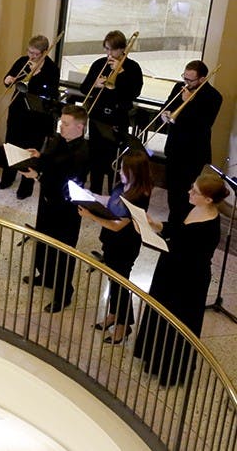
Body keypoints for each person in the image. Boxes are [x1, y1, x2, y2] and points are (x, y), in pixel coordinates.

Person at [133, 172, 227, 386]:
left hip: (188, 281)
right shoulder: (192, 206)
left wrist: (153, 237)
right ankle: (153, 360)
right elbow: (177, 228)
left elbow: (185, 250)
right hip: (170, 271)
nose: (189, 192)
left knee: (177, 323)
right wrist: (155, 225)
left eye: (195, 191)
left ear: (209, 200)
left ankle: (170, 371)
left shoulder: (210, 227)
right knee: (160, 315)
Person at [19, 105, 90, 313]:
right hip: (47, 202)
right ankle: (47, 276)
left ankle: (63, 294)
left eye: (66, 124)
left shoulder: (82, 153)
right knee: (42, 242)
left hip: (65, 209)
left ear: (80, 127)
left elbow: (68, 182)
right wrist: (38, 157)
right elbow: (50, 161)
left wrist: (39, 177)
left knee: (62, 252)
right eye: (61, 122)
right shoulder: (58, 139)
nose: (61, 127)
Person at [79, 149, 152, 344]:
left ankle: (123, 325)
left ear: (135, 172)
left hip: (124, 246)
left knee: (121, 284)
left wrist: (91, 216)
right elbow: (111, 201)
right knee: (114, 281)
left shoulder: (139, 196)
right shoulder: (124, 185)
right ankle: (113, 314)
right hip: (112, 242)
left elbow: (118, 225)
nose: (119, 171)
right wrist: (91, 195)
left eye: (123, 169)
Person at [79, 30, 142, 194]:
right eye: (106, 49)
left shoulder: (133, 68)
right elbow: (83, 88)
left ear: (123, 49)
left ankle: (113, 194)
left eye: (112, 50)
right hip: (97, 117)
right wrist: (95, 84)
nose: (109, 54)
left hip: (118, 119)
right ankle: (95, 192)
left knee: (114, 160)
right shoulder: (99, 64)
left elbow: (134, 93)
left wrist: (122, 75)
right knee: (95, 158)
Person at [161, 60, 223, 227]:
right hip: (174, 148)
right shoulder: (179, 88)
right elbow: (167, 106)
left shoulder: (214, 97)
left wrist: (190, 103)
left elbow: (203, 125)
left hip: (193, 153)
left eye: (190, 80)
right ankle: (173, 225)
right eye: (184, 77)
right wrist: (165, 114)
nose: (186, 82)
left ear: (202, 79)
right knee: (172, 191)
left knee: (187, 195)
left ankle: (183, 226)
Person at [0, 35, 59, 200]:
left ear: (45, 52)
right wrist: (8, 79)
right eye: (29, 51)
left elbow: (51, 93)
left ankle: (26, 186)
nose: (31, 56)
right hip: (18, 111)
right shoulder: (22, 61)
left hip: (37, 116)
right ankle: (7, 178)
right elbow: (7, 80)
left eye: (35, 53)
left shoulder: (52, 69)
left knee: (29, 149)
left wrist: (34, 76)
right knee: (12, 144)